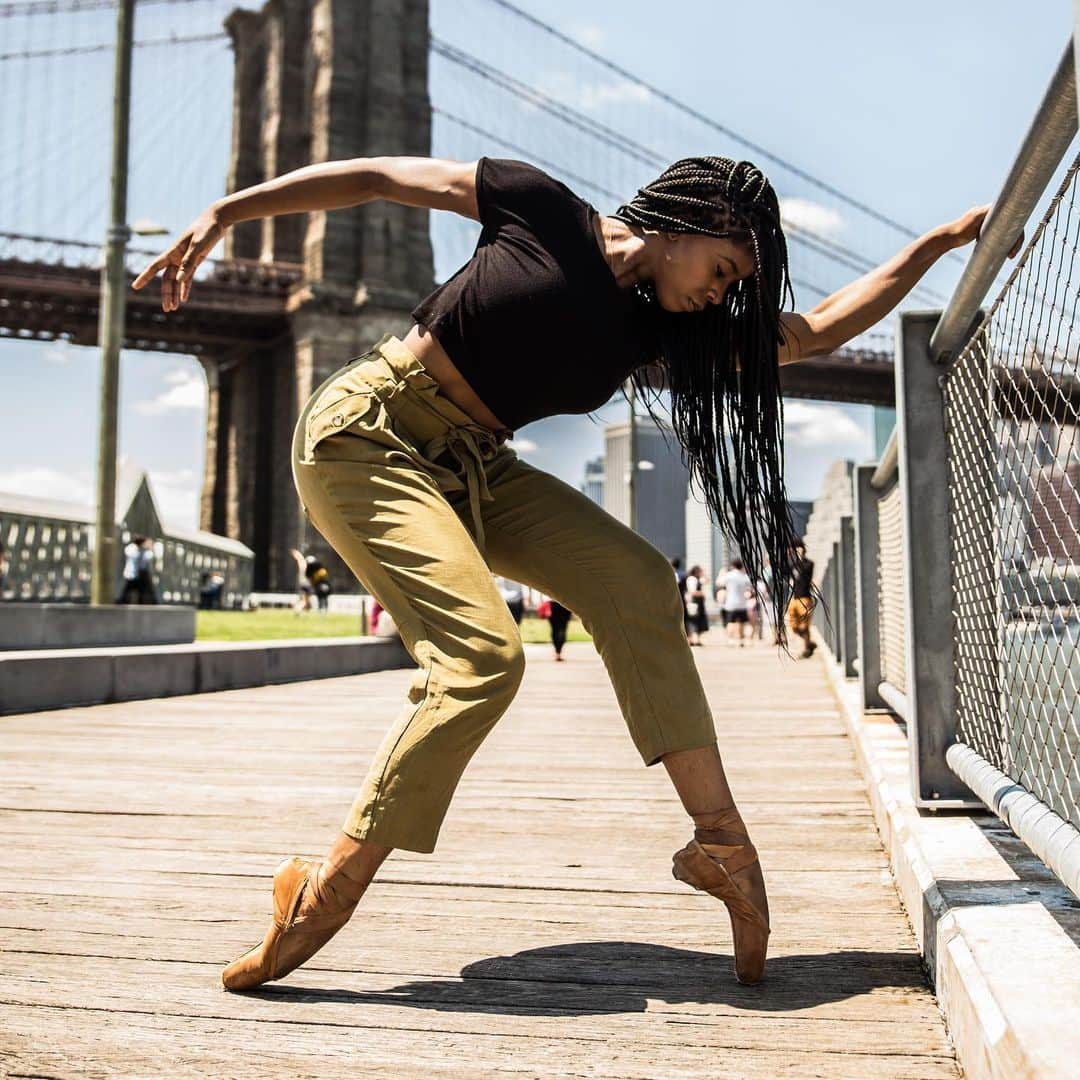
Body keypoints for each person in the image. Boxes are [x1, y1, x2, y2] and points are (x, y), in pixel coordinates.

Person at [134, 148, 998, 991]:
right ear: (690, 223)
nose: (722, 293)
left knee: (637, 581)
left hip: (475, 464)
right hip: (370, 434)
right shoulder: (537, 205)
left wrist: (933, 244)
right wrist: (226, 212)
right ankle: (321, 895)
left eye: (735, 285)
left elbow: (809, 335)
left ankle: (722, 848)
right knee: (481, 662)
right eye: (727, 269)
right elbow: (374, 176)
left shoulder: (661, 325)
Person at [787, 541, 817, 659]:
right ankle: (809, 644)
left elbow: (805, 571)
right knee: (793, 626)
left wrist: (799, 557)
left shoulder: (808, 563)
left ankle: (805, 649)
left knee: (804, 626)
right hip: (794, 598)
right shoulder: (791, 564)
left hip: (805, 597)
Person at [717, 557, 753, 647]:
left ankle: (731, 639)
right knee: (741, 622)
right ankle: (741, 640)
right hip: (742, 603)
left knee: (730, 622)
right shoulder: (744, 576)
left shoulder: (729, 575)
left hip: (731, 603)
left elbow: (719, 583)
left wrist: (721, 573)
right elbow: (750, 587)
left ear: (733, 566)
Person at [683, 563, 709, 646]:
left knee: (697, 621)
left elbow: (707, 580)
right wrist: (702, 593)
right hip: (694, 603)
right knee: (693, 621)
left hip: (698, 603)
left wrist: (704, 574)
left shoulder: (697, 579)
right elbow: (692, 592)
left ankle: (694, 639)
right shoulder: (692, 579)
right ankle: (693, 639)